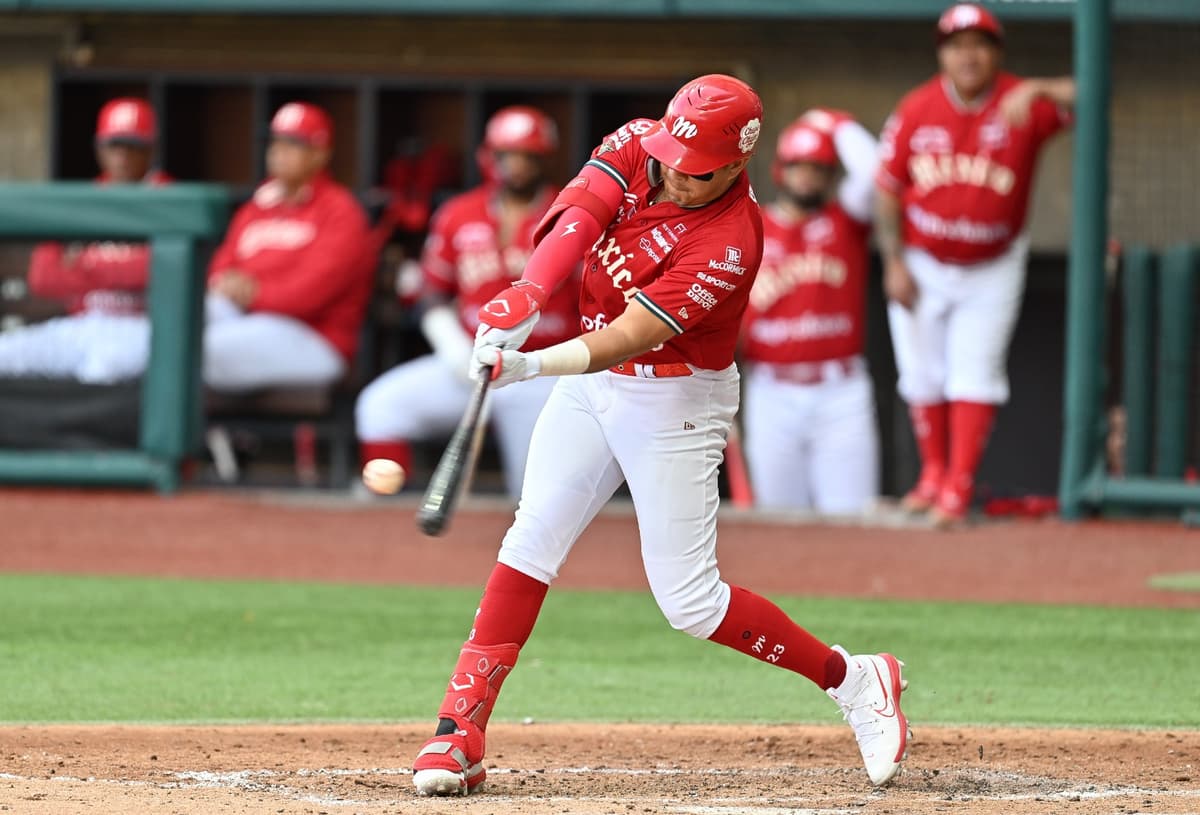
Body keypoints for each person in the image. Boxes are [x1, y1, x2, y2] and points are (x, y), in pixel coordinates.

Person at [409, 75, 910, 797]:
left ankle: (854, 678)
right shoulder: (642, 141)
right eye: (673, 155)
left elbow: (633, 334)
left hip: (675, 398)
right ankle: (459, 730)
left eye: (697, 168)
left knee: (691, 602)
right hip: (593, 388)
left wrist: (531, 363)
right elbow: (581, 214)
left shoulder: (732, 241)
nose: (675, 172)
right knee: (530, 538)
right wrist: (529, 291)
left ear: (739, 165)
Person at [876, 2, 1076, 526]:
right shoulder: (917, 108)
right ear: (942, 54)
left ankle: (957, 487)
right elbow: (887, 190)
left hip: (993, 262)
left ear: (996, 54)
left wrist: (1039, 88)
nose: (969, 55)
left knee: (976, 374)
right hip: (922, 260)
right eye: (957, 45)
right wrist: (893, 261)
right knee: (921, 372)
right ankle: (932, 476)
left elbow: (1095, 94)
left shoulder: (1020, 101)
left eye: (980, 45)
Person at [355, 106, 580, 498]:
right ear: (489, 157)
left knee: (534, 495)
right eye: (508, 155)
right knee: (381, 406)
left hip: (541, 371)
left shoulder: (574, 215)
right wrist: (451, 346)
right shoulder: (459, 213)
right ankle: (385, 512)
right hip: (471, 365)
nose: (518, 166)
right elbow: (431, 290)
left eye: (529, 156)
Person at [740, 108, 881, 514]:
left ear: (831, 175)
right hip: (771, 390)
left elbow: (875, 172)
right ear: (780, 170)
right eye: (798, 166)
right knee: (779, 522)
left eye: (818, 167)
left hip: (841, 391)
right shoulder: (753, 227)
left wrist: (833, 122)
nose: (807, 176)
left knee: (850, 518)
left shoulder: (846, 221)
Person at [204, 101, 374, 393]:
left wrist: (253, 292)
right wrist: (225, 283)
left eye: (293, 144)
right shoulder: (257, 206)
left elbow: (309, 295)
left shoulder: (341, 211)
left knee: (200, 349)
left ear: (320, 154)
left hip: (315, 338)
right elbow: (221, 265)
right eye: (275, 142)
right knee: (181, 322)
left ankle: (182, 437)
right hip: (249, 321)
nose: (278, 151)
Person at [0, 97, 168, 384]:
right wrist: (123, 270)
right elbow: (42, 278)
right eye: (114, 145)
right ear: (99, 148)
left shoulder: (168, 196)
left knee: (101, 371)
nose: (122, 156)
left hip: (139, 326)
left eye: (133, 146)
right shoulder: (85, 200)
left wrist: (83, 265)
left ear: (151, 149)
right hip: (81, 323)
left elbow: (160, 269)